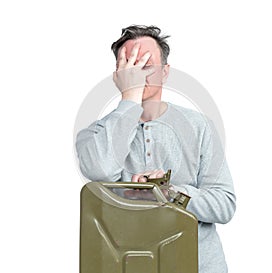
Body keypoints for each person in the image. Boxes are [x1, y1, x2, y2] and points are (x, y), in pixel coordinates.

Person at [76, 25, 236, 273]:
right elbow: (101, 171)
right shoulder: (94, 134)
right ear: (118, 75)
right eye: (131, 66)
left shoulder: (199, 126)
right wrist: (130, 99)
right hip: (126, 265)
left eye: (147, 64)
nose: (139, 74)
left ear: (165, 72)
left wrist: (169, 193)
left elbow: (224, 205)